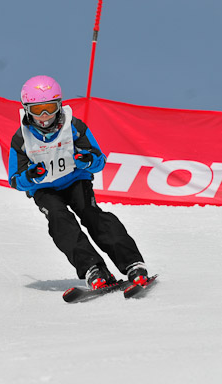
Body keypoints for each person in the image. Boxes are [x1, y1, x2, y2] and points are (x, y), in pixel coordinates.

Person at [8, 75, 150, 290]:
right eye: (38, 110)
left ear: (59, 105)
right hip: (45, 189)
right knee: (59, 220)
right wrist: (31, 176)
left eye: (50, 108)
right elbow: (15, 180)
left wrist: (87, 160)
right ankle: (93, 268)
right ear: (27, 110)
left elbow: (99, 160)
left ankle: (132, 263)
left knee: (92, 215)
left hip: (75, 181)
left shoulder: (74, 127)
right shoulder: (21, 138)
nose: (45, 116)